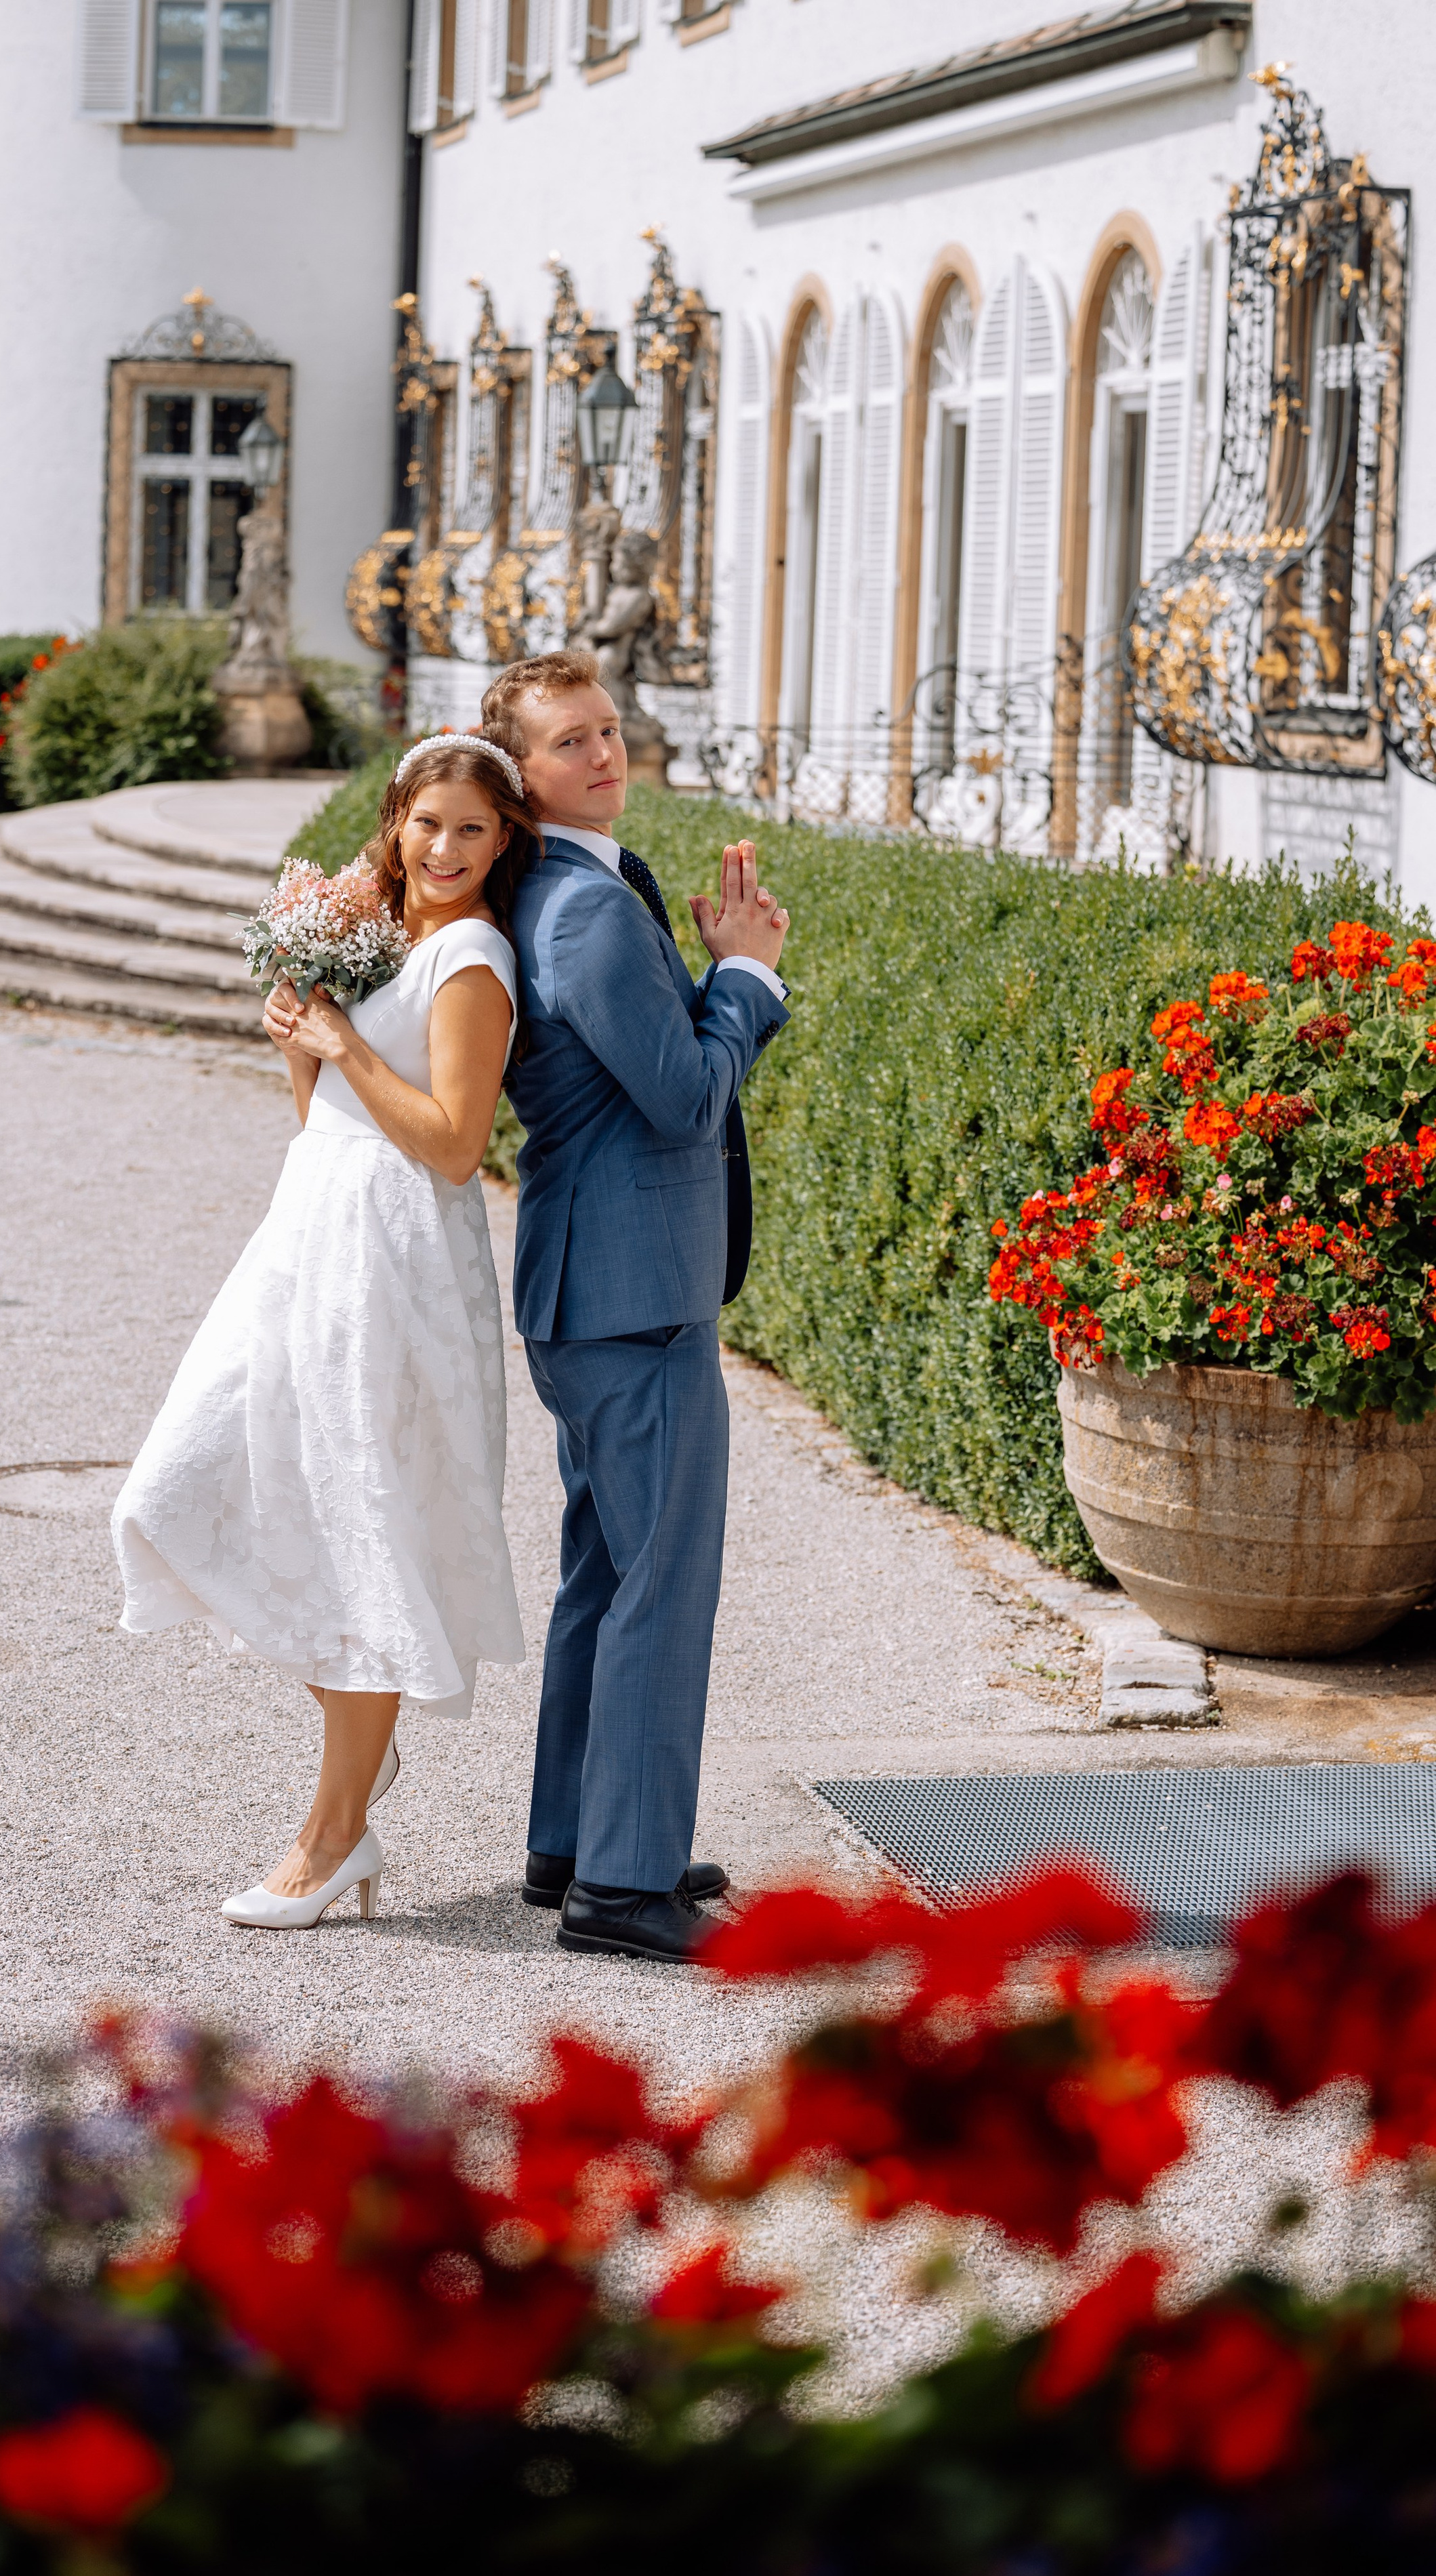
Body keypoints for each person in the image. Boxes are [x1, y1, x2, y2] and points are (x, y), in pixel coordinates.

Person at [111, 739, 531, 1930]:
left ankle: (335, 1833)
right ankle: (363, 1746)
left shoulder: (471, 957)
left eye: (471, 832)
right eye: (426, 824)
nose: (442, 850)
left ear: (503, 845)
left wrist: (344, 1042)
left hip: (398, 1257)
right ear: (394, 821)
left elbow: (455, 1146)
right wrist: (304, 1046)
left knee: (366, 1520)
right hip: (308, 1233)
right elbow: (322, 1119)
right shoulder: (370, 933)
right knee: (177, 1491)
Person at [480, 647, 789, 1965]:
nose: (602, 753)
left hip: (596, 1283)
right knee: (661, 1581)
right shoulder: (582, 910)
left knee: (604, 1574)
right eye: (567, 742)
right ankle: (621, 1886)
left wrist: (714, 967)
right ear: (519, 775)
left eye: (605, 729)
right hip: (627, 1293)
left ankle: (579, 1841)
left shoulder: (573, 886)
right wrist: (748, 982)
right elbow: (682, 1096)